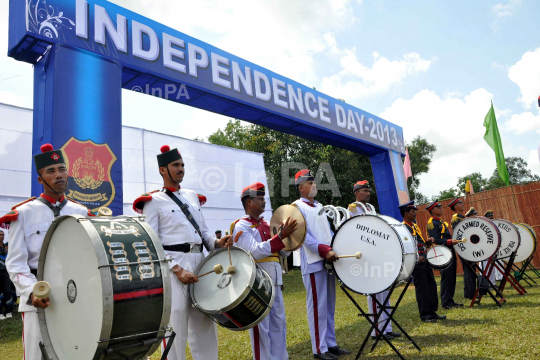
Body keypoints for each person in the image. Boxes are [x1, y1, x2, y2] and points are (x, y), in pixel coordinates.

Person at [133, 145, 232, 360]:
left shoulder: (192, 197)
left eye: (182, 165)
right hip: (174, 269)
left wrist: (217, 242)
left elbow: (204, 232)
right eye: (175, 165)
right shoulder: (153, 201)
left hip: (199, 265)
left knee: (205, 325)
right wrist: (176, 269)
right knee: (174, 328)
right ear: (162, 170)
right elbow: (151, 242)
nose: (181, 169)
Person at [3, 144, 91, 359]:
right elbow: (15, 263)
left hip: (74, 295)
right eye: (50, 171)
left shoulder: (81, 212)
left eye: (62, 169)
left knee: (74, 352)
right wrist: (33, 291)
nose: (59, 175)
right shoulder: (23, 214)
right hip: (38, 295)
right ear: (40, 179)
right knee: (36, 355)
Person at [231, 182, 297, 360]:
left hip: (275, 280)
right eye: (259, 199)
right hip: (256, 283)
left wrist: (291, 240)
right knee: (262, 327)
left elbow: (282, 252)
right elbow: (254, 251)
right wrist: (280, 237)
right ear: (249, 202)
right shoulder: (241, 226)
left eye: (263, 199)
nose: (263, 202)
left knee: (278, 323)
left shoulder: (269, 224)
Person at [293, 169, 350, 360]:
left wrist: (337, 246)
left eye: (314, 182)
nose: (314, 185)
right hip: (313, 261)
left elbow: (328, 232)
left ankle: (330, 344)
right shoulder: (296, 207)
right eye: (310, 183)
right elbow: (302, 236)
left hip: (327, 260)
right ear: (301, 187)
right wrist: (325, 250)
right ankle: (319, 349)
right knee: (317, 306)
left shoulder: (319, 206)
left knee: (328, 305)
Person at [348, 181, 401, 340]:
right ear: (357, 192)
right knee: (374, 293)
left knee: (384, 291)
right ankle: (377, 331)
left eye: (368, 190)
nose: (368, 193)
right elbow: (355, 230)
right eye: (365, 190)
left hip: (377, 252)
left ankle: (387, 327)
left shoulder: (371, 208)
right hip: (366, 253)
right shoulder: (353, 208)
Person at [399, 201, 444, 323]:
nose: (415, 214)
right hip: (417, 262)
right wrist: (417, 256)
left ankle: (432, 311)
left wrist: (427, 242)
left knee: (431, 286)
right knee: (422, 288)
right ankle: (425, 315)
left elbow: (419, 241)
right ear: (406, 213)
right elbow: (406, 246)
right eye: (413, 212)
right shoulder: (403, 228)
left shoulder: (414, 226)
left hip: (425, 259)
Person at [426, 200, 462, 310]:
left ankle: (450, 300)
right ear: (432, 210)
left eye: (440, 207)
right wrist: (450, 241)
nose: (441, 208)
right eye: (438, 207)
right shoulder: (432, 223)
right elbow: (436, 240)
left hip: (449, 250)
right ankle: (446, 302)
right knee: (446, 278)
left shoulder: (440, 221)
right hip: (442, 252)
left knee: (451, 277)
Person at [449, 198, 477, 301]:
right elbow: (459, 233)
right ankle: (470, 293)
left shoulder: (462, 217)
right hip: (463, 246)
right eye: (459, 203)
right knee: (468, 268)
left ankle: (471, 292)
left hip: (468, 245)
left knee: (471, 268)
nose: (462, 204)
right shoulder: (456, 218)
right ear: (455, 207)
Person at [0, 229, 13, 320]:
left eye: (3, 235)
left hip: (6, 272)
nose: (1, 236)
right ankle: (0, 312)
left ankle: (8, 311)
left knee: (8, 291)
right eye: (0, 234)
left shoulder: (6, 247)